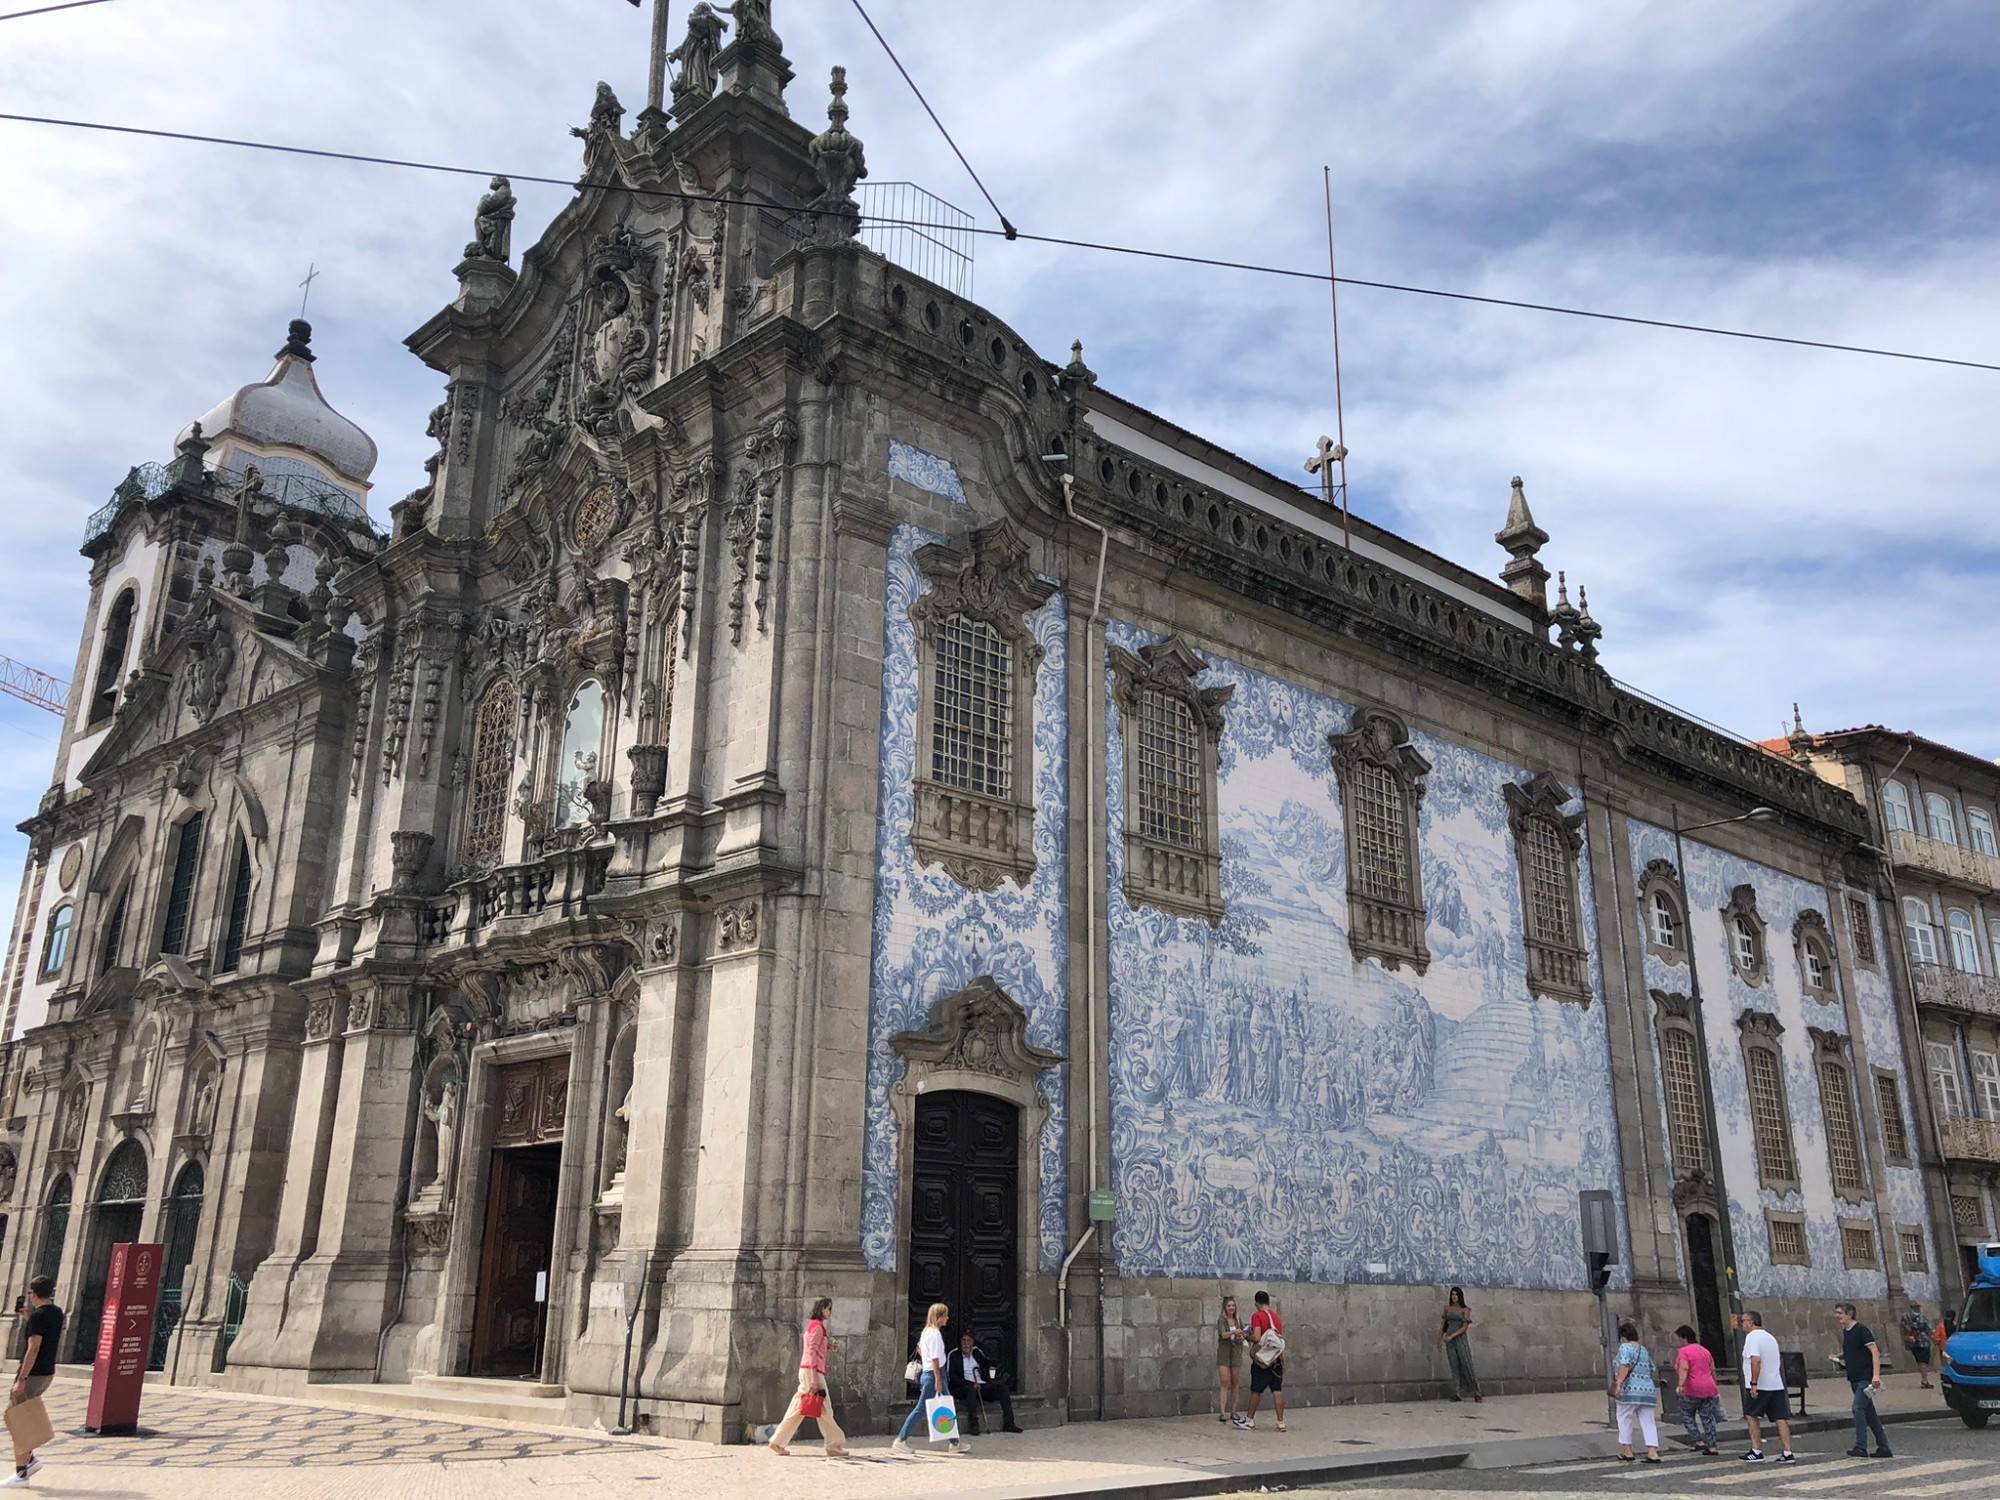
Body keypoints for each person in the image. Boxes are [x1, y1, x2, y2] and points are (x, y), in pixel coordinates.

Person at [766, 1297, 848, 1458]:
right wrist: (814, 1378)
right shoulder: (817, 1327)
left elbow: (814, 1349)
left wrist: (828, 1348)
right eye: (829, 1309)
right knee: (824, 1408)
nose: (830, 1312)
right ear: (822, 1309)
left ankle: (777, 1441)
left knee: (799, 1408)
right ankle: (834, 1444)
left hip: (809, 1369)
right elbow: (811, 1351)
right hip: (813, 1371)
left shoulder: (813, 1326)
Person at [6, 1276, 63, 1488]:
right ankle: (29, 1460)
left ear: (33, 1293)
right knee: (25, 1417)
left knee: (17, 1419)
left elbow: (34, 1347)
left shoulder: (39, 1318)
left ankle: (22, 1474)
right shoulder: (55, 1313)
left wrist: (22, 1378)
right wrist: (29, 1319)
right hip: (47, 1372)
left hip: (32, 1373)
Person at [892, 1302, 969, 1456]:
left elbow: (920, 1349)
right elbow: (935, 1358)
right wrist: (938, 1380)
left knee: (947, 1406)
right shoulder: (934, 1334)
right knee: (921, 1409)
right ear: (939, 1317)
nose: (947, 1318)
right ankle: (900, 1439)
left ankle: (955, 1442)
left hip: (930, 1372)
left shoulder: (926, 1332)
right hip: (934, 1373)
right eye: (945, 1315)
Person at [1835, 1302, 1893, 1459]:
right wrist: (1839, 1357)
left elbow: (1874, 1351)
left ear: (1849, 1314)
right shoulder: (1846, 1332)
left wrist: (1876, 1375)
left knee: (1857, 1409)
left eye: (1840, 1313)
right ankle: (1884, 1447)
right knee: (1870, 1413)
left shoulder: (1861, 1330)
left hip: (1865, 1377)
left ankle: (1861, 1446)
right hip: (1854, 1377)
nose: (1838, 1316)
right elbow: (1853, 1351)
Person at [1738, 1310, 1796, 1463]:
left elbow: (1755, 1360)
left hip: (1760, 1384)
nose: (1741, 1324)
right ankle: (1787, 1451)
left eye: (1743, 1321)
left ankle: (1756, 1450)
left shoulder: (1752, 1337)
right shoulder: (1770, 1337)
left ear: (1751, 1322)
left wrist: (1754, 1384)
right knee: (1780, 1418)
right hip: (1775, 1384)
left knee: (1751, 1415)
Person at [946, 1329, 1021, 1435]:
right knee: (970, 1390)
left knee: (1001, 1387)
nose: (966, 1344)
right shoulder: (953, 1355)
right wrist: (971, 1384)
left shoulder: (976, 1352)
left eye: (968, 1341)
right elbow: (952, 1377)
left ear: (972, 1342)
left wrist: (990, 1366)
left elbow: (988, 1362)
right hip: (963, 1387)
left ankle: (1009, 1423)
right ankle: (973, 1424)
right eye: (963, 1341)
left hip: (980, 1384)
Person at [1611, 1321, 1661, 1463]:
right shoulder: (1643, 1349)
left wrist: (1618, 1384)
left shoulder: (1625, 1347)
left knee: (1624, 1418)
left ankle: (1628, 1451)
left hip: (1630, 1390)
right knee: (1648, 1422)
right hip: (1647, 1390)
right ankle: (1652, 1452)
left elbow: (1625, 1365)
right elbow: (1651, 1368)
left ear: (1623, 1336)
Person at [1673, 1325, 1723, 1456]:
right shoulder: (1705, 1351)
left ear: (1684, 1338)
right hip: (1708, 1387)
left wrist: (1681, 1385)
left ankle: (1698, 1441)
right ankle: (1712, 1446)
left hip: (1692, 1389)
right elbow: (1712, 1370)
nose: (1679, 1341)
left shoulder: (1684, 1351)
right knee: (1707, 1417)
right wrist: (1715, 1385)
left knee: (1687, 1414)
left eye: (1679, 1338)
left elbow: (1684, 1368)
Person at [1241, 1290, 1286, 1432]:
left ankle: (1250, 1420)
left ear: (1256, 1303)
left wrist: (1246, 1336)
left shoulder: (1257, 1316)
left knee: (1256, 1390)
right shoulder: (1276, 1317)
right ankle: (1281, 1422)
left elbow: (1257, 1337)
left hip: (1263, 1360)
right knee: (1277, 1390)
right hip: (1277, 1359)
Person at [1437, 1287, 1481, 1402]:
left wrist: (1452, 1336)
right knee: (1454, 1365)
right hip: (1449, 1340)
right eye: (1452, 1294)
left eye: (1456, 1294)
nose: (1454, 1296)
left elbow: (1464, 1327)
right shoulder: (1447, 1309)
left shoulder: (1465, 1310)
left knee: (1466, 1364)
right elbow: (1443, 1325)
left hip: (1460, 1339)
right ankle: (1457, 1392)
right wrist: (1439, 1340)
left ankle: (1476, 1391)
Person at [1216, 1295, 1247, 1425]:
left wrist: (1241, 1336)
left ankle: (1233, 1411)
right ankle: (1223, 1411)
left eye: (1233, 1305)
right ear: (1225, 1307)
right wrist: (1234, 1333)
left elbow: (1243, 1334)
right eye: (1229, 1305)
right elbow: (1223, 1334)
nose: (1231, 1308)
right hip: (1224, 1352)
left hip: (1236, 1352)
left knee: (1235, 1382)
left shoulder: (1238, 1320)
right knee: (1224, 1381)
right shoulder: (1221, 1320)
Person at [1900, 1302, 1934, 1390]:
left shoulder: (1905, 1316)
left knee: (1919, 1360)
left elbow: (1902, 1329)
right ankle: (1924, 1380)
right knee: (1924, 1361)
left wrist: (1905, 1340)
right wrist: (1934, 1339)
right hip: (1923, 1341)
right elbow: (1928, 1329)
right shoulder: (1922, 1317)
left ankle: (1924, 1378)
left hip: (1912, 1341)